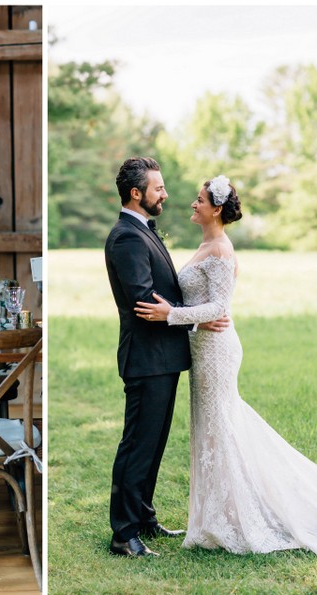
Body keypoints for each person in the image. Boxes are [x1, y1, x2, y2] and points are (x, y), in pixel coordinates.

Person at [133, 175, 317, 557]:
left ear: (216, 209)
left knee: (221, 429)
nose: (192, 204)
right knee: (210, 430)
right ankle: (216, 514)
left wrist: (170, 315)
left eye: (199, 200)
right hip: (201, 345)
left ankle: (237, 517)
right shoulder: (206, 246)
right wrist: (189, 317)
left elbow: (219, 309)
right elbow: (205, 307)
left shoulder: (221, 251)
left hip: (216, 351)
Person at [103, 157, 230, 557]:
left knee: (154, 442)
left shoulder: (142, 231)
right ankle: (124, 532)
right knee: (138, 444)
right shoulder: (126, 237)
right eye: (158, 188)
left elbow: (168, 298)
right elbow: (145, 303)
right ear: (136, 193)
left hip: (164, 356)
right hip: (146, 358)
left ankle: (144, 517)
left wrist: (190, 317)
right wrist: (191, 321)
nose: (166, 194)